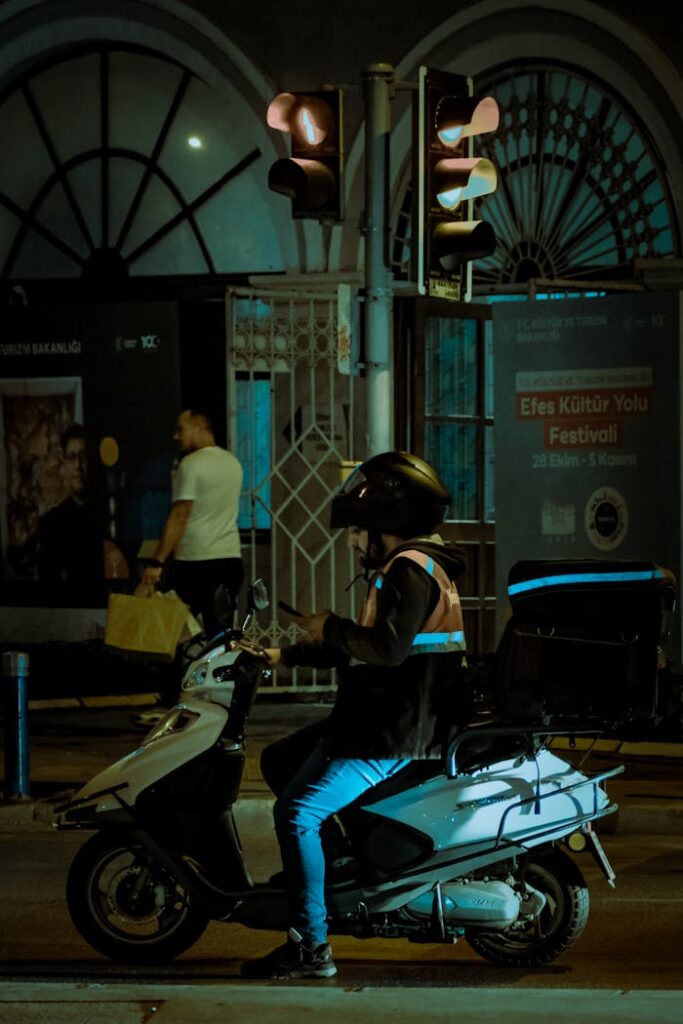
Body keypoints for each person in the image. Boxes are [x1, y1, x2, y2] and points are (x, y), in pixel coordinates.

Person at [241, 451, 469, 981]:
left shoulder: (409, 572)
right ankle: (338, 869)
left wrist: (332, 627)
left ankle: (310, 947)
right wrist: (282, 655)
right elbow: (359, 647)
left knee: (297, 813)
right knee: (280, 759)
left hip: (394, 733)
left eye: (356, 531)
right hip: (378, 719)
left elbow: (385, 649)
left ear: (386, 526)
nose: (349, 542)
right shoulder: (407, 567)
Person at [142, 407, 244, 639]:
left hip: (195, 563)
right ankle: (221, 675)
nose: (176, 436)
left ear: (198, 428)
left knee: (169, 633)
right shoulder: (233, 463)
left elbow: (180, 515)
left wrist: (157, 562)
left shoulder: (191, 464)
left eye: (181, 429)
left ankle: (176, 676)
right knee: (219, 636)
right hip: (229, 560)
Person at [37, 423, 122, 595]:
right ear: (64, 465)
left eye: (84, 457)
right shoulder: (52, 524)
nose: (78, 466)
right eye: (72, 457)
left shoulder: (110, 516)